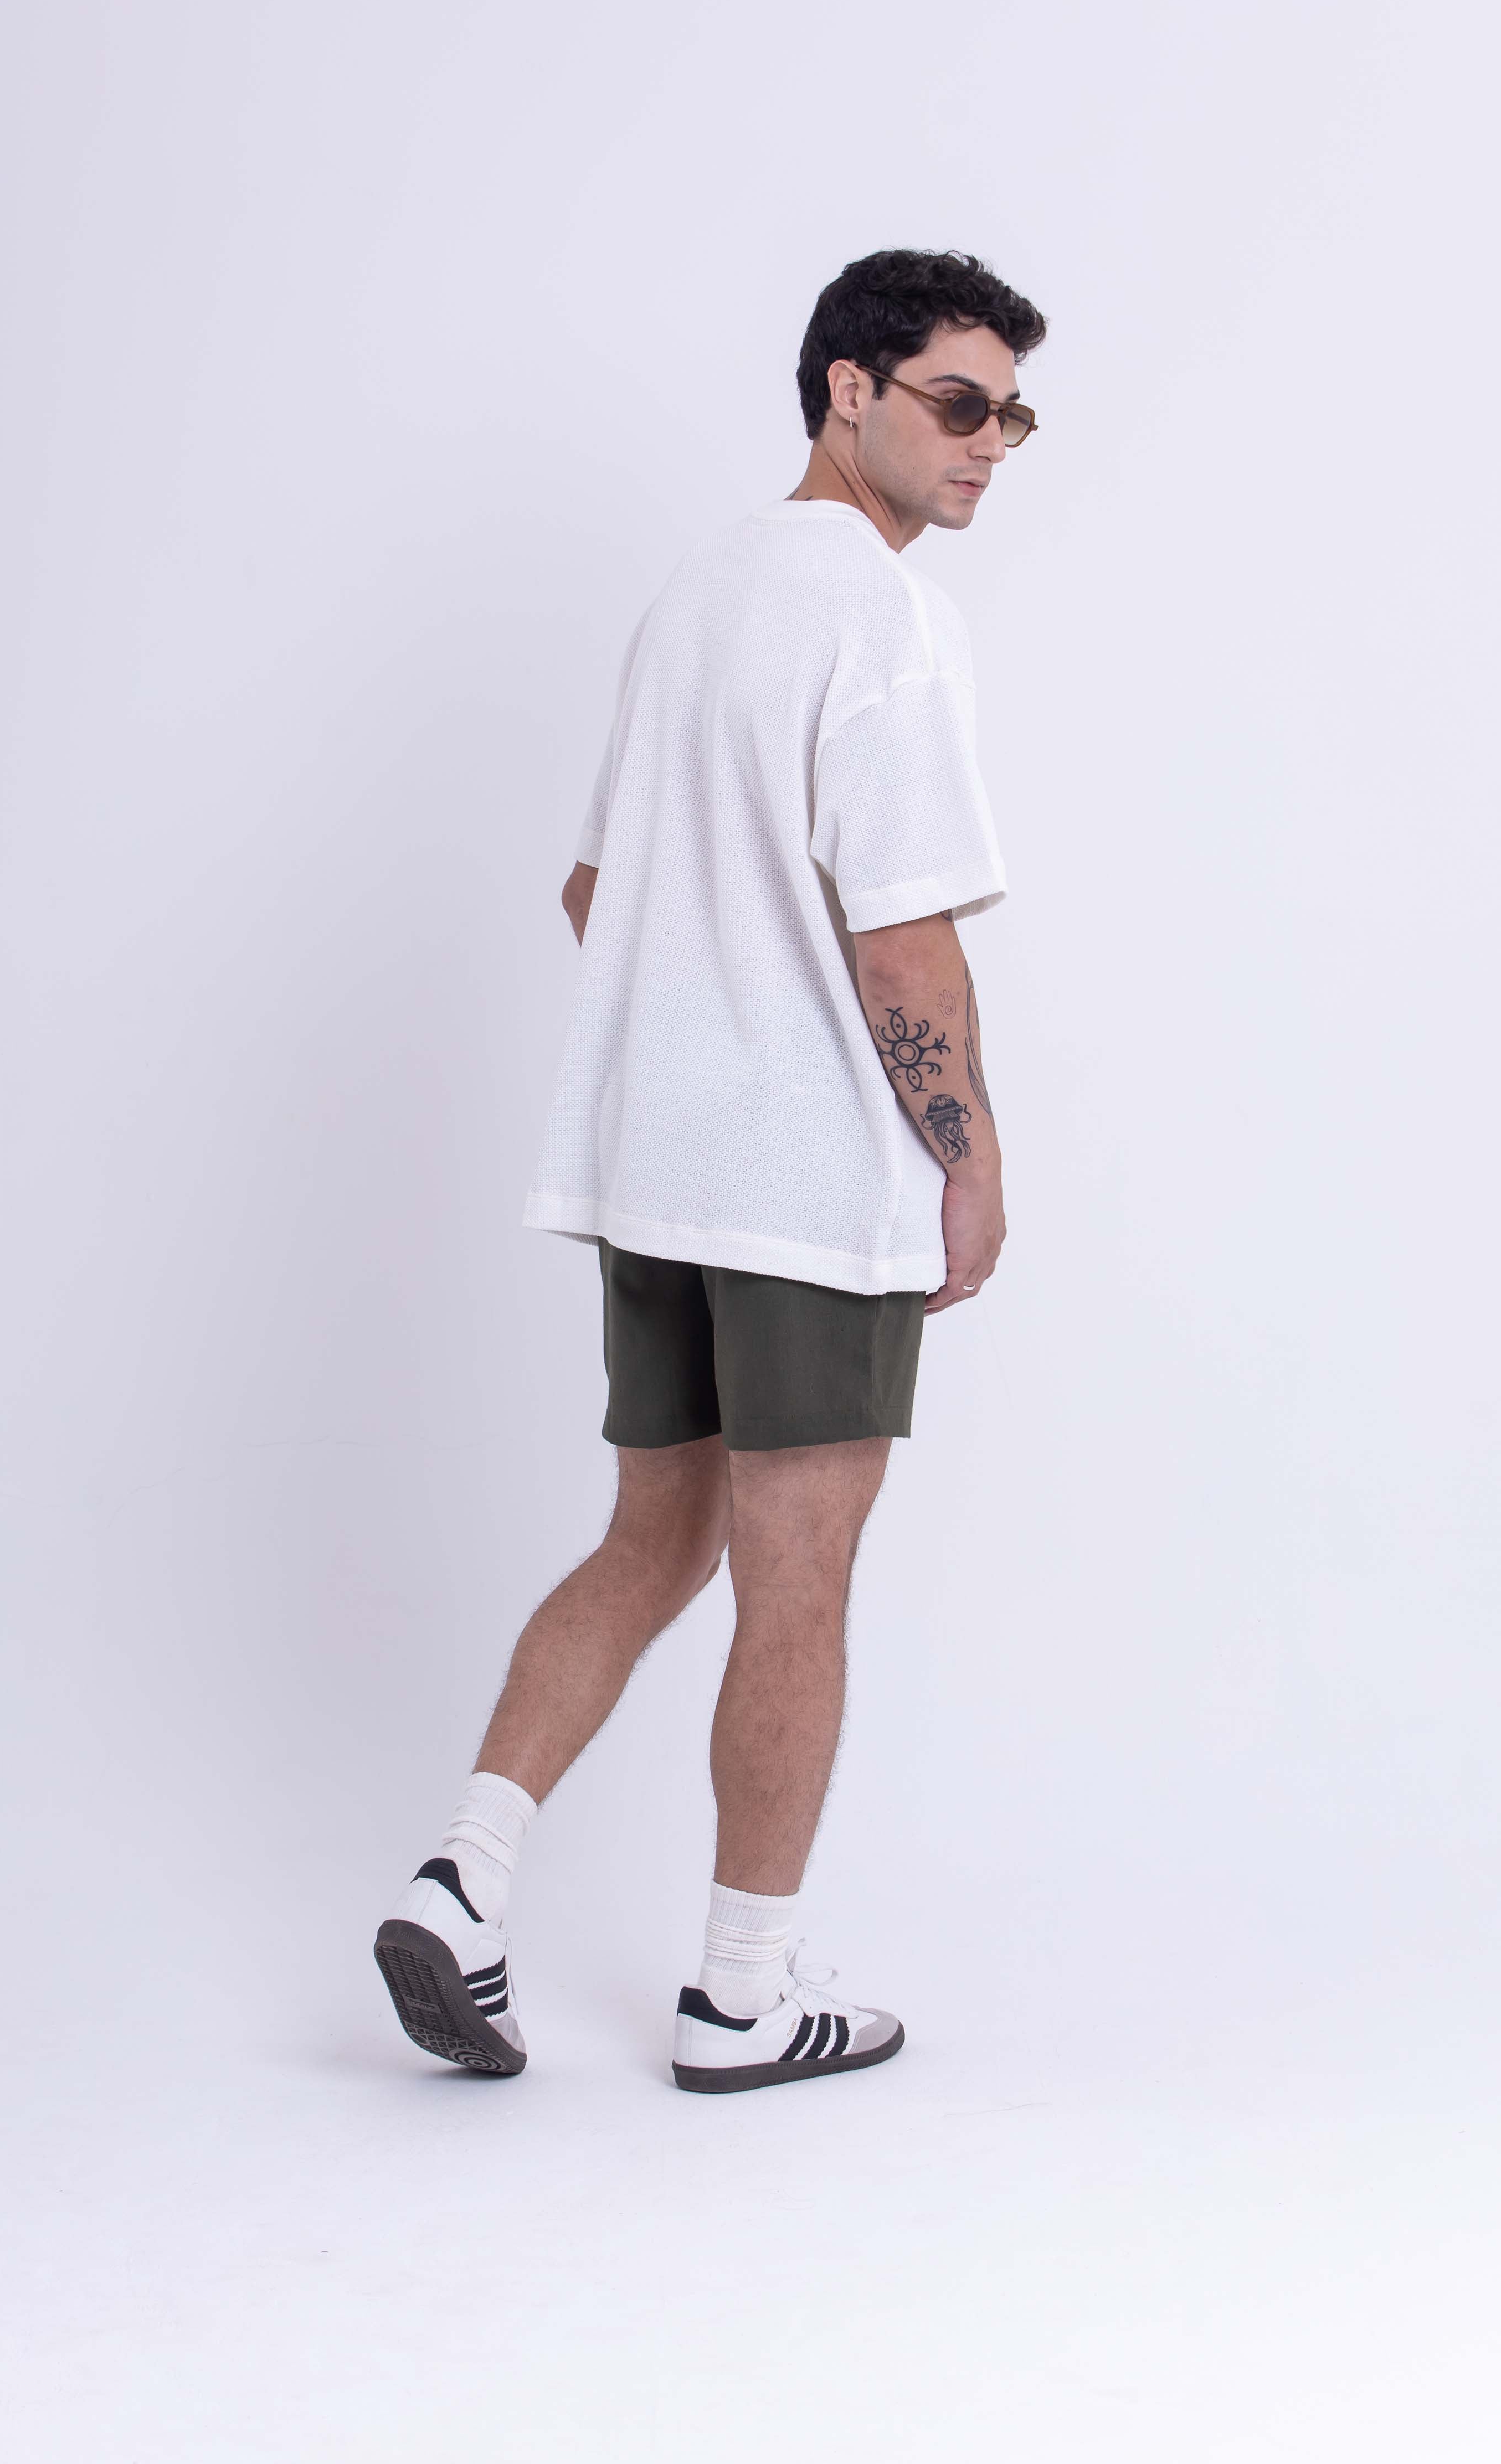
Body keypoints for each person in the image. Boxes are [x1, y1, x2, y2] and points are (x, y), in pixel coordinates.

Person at [376, 248, 1046, 2092]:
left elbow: (593, 890)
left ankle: (462, 1878)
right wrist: (970, 1160)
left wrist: (706, 1019)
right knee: (794, 1584)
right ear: (849, 391)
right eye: (959, 403)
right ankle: (744, 1999)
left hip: (653, 1173)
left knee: (650, 1538)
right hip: (804, 1190)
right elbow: (905, 946)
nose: (989, 444)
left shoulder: (696, 596)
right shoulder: (885, 618)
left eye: (1013, 416)